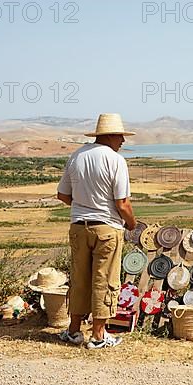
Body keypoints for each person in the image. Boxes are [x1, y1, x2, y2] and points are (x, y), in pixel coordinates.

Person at [56, 113, 137, 349]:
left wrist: (84, 207)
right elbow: (122, 203)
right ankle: (99, 336)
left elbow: (62, 195)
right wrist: (132, 224)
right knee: (105, 280)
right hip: (107, 229)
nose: (122, 141)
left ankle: (73, 331)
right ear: (110, 135)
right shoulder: (116, 160)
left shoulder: (76, 156)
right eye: (120, 136)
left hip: (79, 227)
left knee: (80, 279)